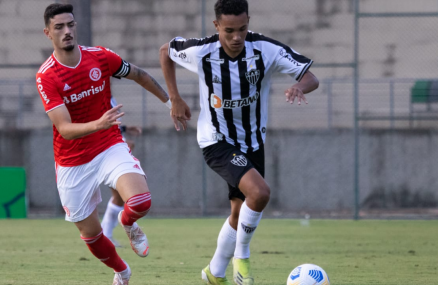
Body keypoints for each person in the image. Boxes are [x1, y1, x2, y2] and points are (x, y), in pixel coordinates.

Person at [159, 0, 319, 284]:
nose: (236, 37)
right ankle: (241, 258)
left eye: (242, 29)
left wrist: (298, 85)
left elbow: (311, 77)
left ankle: (214, 272)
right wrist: (174, 97)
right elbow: (165, 51)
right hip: (216, 140)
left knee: (239, 211)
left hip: (253, 142)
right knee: (259, 193)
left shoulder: (266, 50)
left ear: (249, 23)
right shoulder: (202, 51)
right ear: (216, 26)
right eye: (229, 30)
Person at [36, 4, 175, 285]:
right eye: (59, 27)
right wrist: (98, 123)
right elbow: (64, 129)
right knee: (91, 235)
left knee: (141, 201)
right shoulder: (47, 76)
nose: (67, 31)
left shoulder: (100, 57)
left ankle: (128, 223)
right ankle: (122, 272)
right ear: (48, 33)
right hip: (72, 162)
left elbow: (138, 74)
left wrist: (171, 102)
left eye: (71, 25)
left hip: (108, 145)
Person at [101, 97, 142, 248]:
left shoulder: (109, 97)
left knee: (119, 196)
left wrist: (124, 130)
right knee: (125, 196)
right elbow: (99, 125)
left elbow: (111, 126)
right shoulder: (94, 91)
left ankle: (106, 235)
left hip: (114, 148)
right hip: (103, 151)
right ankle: (105, 235)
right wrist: (124, 144)